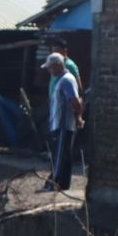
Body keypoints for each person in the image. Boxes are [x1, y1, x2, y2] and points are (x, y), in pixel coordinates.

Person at [42, 52, 82, 191]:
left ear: (58, 65)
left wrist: (78, 117)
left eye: (51, 68)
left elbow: (75, 102)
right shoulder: (62, 79)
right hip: (60, 124)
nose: (49, 71)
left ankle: (54, 181)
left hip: (64, 124)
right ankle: (63, 183)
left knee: (59, 155)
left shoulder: (66, 80)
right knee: (64, 154)